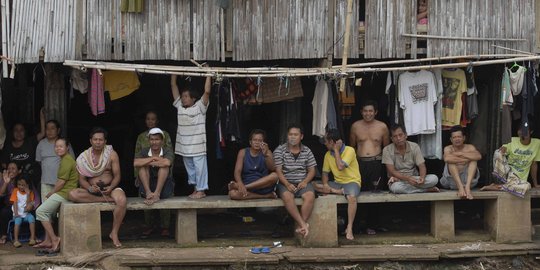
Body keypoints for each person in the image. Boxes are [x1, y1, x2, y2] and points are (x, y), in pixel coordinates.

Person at [69, 127, 127, 248]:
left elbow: (117, 176)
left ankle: (114, 233)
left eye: (100, 140)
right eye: (95, 139)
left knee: (121, 200)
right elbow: (82, 179)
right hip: (93, 191)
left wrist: (111, 187)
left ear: (105, 141)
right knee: (72, 194)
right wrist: (90, 188)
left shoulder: (111, 154)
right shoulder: (83, 157)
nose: (98, 142)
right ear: (90, 141)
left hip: (110, 189)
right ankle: (104, 200)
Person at [349, 100, 389, 235]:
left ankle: (373, 224)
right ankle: (359, 225)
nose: (368, 114)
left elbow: (386, 147)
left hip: (376, 162)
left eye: (370, 111)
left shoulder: (382, 127)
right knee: (359, 193)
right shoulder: (355, 126)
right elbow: (352, 146)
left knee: (375, 193)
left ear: (375, 112)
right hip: (360, 163)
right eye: (365, 111)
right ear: (361, 112)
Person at [314, 129, 361, 240]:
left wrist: (335, 150)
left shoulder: (350, 150)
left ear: (332, 142)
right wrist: (325, 184)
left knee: (352, 198)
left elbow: (340, 167)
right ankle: (338, 192)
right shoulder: (327, 155)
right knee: (314, 185)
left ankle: (349, 227)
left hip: (351, 182)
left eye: (326, 142)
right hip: (337, 183)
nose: (325, 144)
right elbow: (325, 173)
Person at [171, 73, 212, 199]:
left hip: (198, 146)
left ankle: (201, 190)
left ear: (193, 98)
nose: (183, 98)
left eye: (186, 96)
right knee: (191, 170)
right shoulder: (180, 107)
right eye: (182, 96)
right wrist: (174, 74)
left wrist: (209, 74)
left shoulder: (200, 107)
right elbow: (173, 85)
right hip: (184, 147)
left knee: (200, 169)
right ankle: (196, 189)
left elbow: (207, 91)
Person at [34, 138, 78, 254]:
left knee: (40, 212)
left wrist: (52, 192)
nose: (58, 148)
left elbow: (61, 182)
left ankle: (55, 239)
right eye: (56, 146)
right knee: (46, 212)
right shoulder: (64, 159)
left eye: (61, 146)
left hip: (65, 193)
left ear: (67, 147)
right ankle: (49, 240)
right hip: (65, 192)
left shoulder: (67, 160)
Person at [273, 124, 317, 238]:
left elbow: (312, 170)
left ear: (301, 136)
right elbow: (278, 171)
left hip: (302, 182)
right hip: (285, 182)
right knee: (288, 197)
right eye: (290, 134)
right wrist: (287, 184)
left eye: (295, 134)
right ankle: (303, 224)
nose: (293, 137)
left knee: (310, 196)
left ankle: (300, 226)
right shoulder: (280, 150)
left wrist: (305, 181)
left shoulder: (307, 151)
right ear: (287, 136)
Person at [133, 128, 175, 237]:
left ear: (162, 141)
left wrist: (148, 161)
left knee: (164, 168)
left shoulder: (167, 150)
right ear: (149, 141)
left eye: (157, 139)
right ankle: (148, 193)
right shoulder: (144, 151)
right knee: (142, 168)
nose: (154, 142)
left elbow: (167, 162)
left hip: (163, 184)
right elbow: (136, 163)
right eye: (152, 139)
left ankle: (156, 194)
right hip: (148, 183)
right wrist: (154, 159)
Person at [481, 127, 540, 197]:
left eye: (525, 130)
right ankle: (503, 182)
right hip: (508, 174)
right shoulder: (512, 140)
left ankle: (497, 186)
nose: (522, 132)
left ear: (531, 131)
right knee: (497, 152)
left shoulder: (537, 143)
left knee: (527, 186)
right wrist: (503, 150)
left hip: (520, 180)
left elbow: (534, 164)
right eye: (520, 130)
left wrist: (535, 184)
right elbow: (503, 149)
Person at [382, 125, 439, 193]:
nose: (398, 138)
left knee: (434, 179)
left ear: (405, 135)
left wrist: (422, 178)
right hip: (398, 180)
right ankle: (425, 190)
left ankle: (412, 189)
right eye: (395, 136)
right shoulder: (387, 150)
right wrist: (408, 179)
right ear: (392, 139)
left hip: (414, 178)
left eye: (400, 135)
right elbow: (392, 171)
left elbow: (421, 165)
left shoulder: (414, 146)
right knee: (396, 188)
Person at [228, 129, 278, 200]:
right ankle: (266, 196)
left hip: (263, 186)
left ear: (264, 143)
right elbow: (237, 171)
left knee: (275, 176)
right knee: (232, 194)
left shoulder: (267, 152)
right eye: (255, 140)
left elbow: (272, 168)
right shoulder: (243, 152)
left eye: (260, 140)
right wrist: (239, 183)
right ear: (250, 142)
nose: (257, 142)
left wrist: (266, 154)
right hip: (247, 184)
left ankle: (246, 187)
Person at [0, 162, 40, 245]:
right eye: (9, 168)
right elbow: (1, 194)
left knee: (37, 213)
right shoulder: (6, 180)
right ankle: (4, 235)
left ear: (19, 171)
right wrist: (6, 182)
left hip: (27, 206)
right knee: (4, 212)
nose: (11, 170)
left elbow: (35, 199)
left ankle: (34, 236)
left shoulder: (26, 181)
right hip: (11, 206)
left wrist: (31, 207)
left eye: (13, 168)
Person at [36, 120, 75, 202]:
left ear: (58, 130)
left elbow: (72, 161)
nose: (49, 131)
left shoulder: (65, 143)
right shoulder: (41, 144)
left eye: (52, 128)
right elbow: (39, 162)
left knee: (59, 208)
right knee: (46, 206)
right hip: (46, 181)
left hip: (62, 183)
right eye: (47, 129)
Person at [440, 125, 481, 199]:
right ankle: (460, 188)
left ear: (464, 138)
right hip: (451, 182)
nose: (457, 139)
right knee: (450, 161)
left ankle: (467, 188)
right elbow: (446, 158)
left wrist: (461, 154)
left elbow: (478, 156)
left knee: (474, 161)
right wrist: (466, 159)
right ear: (451, 139)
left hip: (469, 182)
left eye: (459, 137)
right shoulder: (448, 148)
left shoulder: (470, 147)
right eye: (454, 137)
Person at [134, 111, 172, 187]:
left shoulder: (165, 135)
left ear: (157, 121)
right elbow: (137, 156)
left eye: (153, 119)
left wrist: (170, 174)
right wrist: (137, 175)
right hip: (146, 170)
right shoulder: (141, 136)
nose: (150, 121)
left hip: (161, 166)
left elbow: (169, 157)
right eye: (148, 119)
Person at [9, 175, 37, 247]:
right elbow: (15, 203)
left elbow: (28, 207)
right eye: (19, 184)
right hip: (17, 213)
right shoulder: (15, 191)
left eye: (23, 185)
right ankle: (16, 240)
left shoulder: (31, 193)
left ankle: (32, 238)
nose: (21, 187)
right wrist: (16, 214)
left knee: (32, 218)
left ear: (27, 185)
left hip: (26, 213)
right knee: (18, 221)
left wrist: (28, 194)